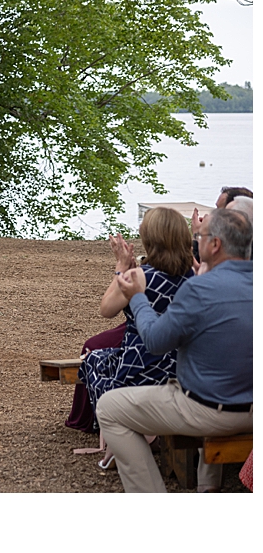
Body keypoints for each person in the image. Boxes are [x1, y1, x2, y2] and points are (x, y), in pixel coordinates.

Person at [98, 207, 252, 493]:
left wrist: (139, 298)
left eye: (200, 236)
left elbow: (156, 342)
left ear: (215, 244)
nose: (196, 241)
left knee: (109, 408)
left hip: (211, 411)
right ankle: (208, 487)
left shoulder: (200, 289)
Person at [76, 208, 194, 454]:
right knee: (100, 356)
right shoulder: (195, 277)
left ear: (150, 241)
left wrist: (121, 268)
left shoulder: (140, 276)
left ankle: (121, 437)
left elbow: (106, 309)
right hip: (183, 368)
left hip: (139, 368)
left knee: (92, 360)